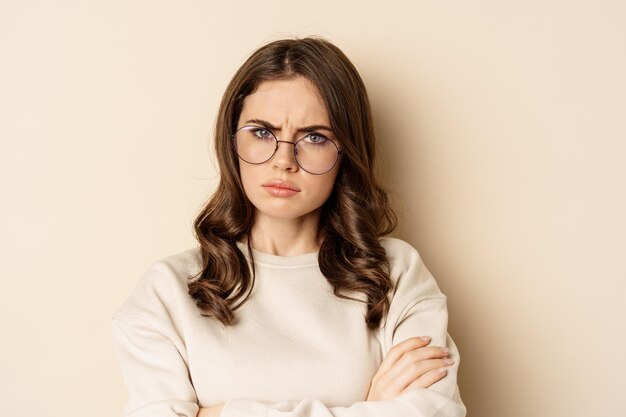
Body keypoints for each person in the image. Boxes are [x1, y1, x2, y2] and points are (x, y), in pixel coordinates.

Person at [111, 37, 466, 417]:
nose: (284, 160)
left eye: (314, 137)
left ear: (346, 151)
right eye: (261, 132)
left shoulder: (395, 271)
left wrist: (218, 413)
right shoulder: (168, 290)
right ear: (231, 141)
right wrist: (370, 409)